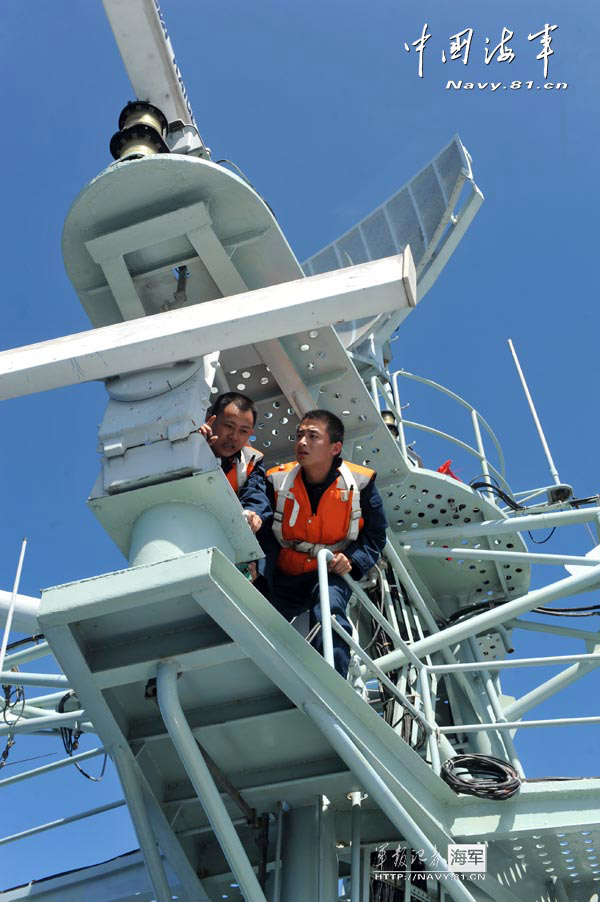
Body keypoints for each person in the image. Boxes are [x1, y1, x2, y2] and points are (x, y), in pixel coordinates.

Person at [263, 409, 388, 677]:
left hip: (329, 572)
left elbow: (376, 534)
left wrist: (353, 561)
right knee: (258, 616)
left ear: (336, 447)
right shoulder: (275, 480)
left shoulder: (361, 483)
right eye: (299, 436)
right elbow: (261, 528)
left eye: (312, 436)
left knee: (329, 610)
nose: (302, 443)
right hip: (284, 574)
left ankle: (334, 681)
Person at [199, 392, 268, 533]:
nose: (234, 437)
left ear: (250, 434)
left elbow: (255, 496)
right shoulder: (186, 446)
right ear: (209, 420)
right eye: (229, 426)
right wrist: (198, 450)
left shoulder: (252, 461)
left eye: (243, 431)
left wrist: (253, 514)